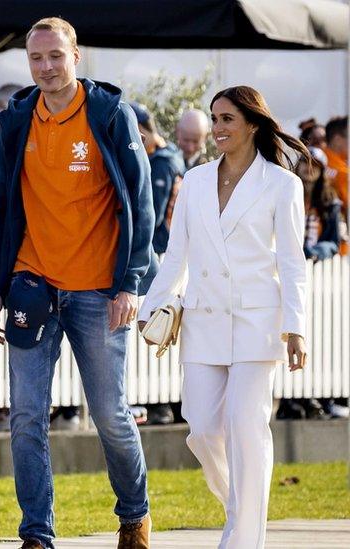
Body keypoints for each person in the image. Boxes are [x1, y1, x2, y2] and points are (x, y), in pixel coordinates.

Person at [0, 17, 154, 548]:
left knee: (110, 415)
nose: (46, 68)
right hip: (32, 286)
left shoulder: (108, 114)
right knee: (26, 416)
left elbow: (140, 203)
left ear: (76, 56)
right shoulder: (15, 121)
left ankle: (134, 513)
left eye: (56, 56)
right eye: (36, 59)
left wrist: (131, 283)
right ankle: (37, 533)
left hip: (99, 291)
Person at [139, 85, 309, 549]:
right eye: (214, 119)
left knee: (245, 427)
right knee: (204, 429)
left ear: (252, 123)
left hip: (258, 323)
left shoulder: (282, 184)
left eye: (227, 119)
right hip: (203, 320)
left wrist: (296, 327)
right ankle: (240, 508)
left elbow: (293, 261)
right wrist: (152, 305)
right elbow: (176, 255)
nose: (217, 128)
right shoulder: (194, 181)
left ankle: (242, 538)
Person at [131, 102, 186, 256]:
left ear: (139, 130)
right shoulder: (171, 151)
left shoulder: (161, 163)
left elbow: (152, 215)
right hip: (166, 245)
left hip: (157, 249)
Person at [298, 148, 344, 262]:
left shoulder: (330, 203)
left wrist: (315, 252)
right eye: (305, 161)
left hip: (317, 268)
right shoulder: (284, 195)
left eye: (314, 164)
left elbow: (333, 243)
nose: (309, 167)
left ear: (322, 171)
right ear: (298, 165)